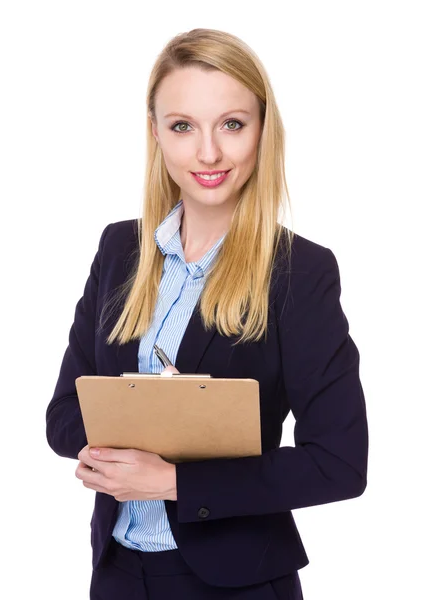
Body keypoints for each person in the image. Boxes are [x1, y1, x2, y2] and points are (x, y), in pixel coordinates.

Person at [45, 27, 368, 600]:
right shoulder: (120, 250)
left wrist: (172, 480)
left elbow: (338, 463)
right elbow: (64, 414)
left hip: (235, 582)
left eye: (232, 125)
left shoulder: (300, 273)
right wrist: (101, 452)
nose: (209, 153)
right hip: (118, 572)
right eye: (182, 127)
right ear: (156, 134)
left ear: (262, 131)